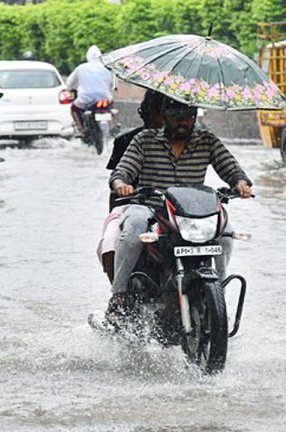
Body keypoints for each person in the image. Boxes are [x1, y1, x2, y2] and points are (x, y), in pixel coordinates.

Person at [106, 97, 253, 323]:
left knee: (225, 235)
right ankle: (119, 293)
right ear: (165, 117)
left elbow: (231, 169)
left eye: (188, 118)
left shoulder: (208, 141)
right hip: (151, 205)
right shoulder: (144, 140)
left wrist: (241, 183)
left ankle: (218, 293)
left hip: (194, 210)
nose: (183, 123)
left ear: (194, 118)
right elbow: (121, 173)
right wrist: (122, 186)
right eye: (177, 118)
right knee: (134, 229)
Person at [96, 90, 165, 283]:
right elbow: (117, 179)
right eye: (156, 111)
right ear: (145, 112)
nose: (160, 117)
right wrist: (113, 214)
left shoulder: (189, 141)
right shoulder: (127, 141)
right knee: (111, 242)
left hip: (174, 205)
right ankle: (119, 292)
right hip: (131, 203)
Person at [65, 45, 114, 137]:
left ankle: (80, 129)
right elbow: (114, 85)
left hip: (86, 99)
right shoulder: (107, 67)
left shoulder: (81, 68)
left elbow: (69, 84)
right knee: (111, 107)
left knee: (74, 109)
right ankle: (112, 125)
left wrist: (69, 89)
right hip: (105, 98)